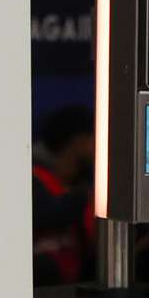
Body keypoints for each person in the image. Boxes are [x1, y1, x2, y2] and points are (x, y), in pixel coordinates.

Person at [32, 106, 95, 286]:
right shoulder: (33, 179)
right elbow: (47, 214)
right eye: (94, 137)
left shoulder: (80, 183)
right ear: (78, 141)